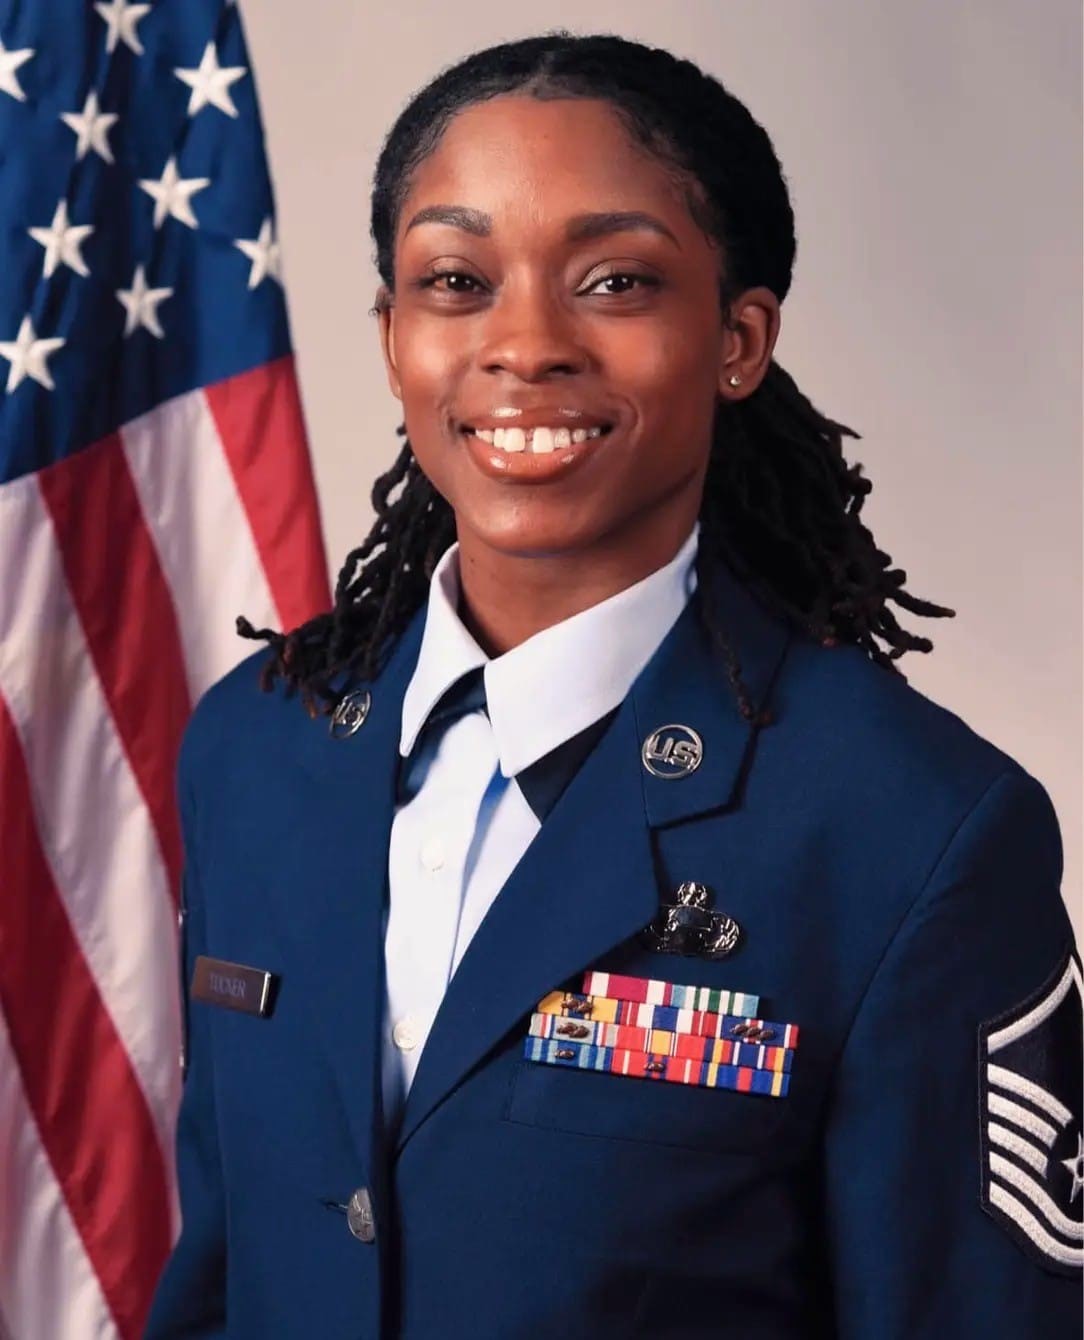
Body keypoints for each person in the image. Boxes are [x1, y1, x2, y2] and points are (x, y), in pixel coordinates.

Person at [144, 29, 1082, 1339]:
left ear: (738, 338)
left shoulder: (914, 829)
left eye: (617, 281)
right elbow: (221, 1277)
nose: (526, 344)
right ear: (394, 337)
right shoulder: (257, 747)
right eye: (457, 280)